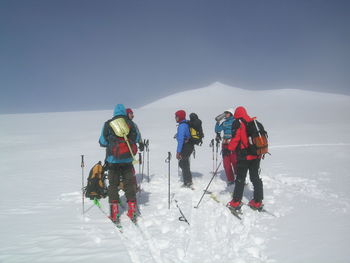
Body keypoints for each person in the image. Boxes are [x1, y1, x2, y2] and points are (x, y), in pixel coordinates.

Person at [99, 104, 139, 222]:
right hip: (127, 159)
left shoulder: (108, 124)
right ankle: (132, 211)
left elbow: (102, 141)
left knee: (113, 185)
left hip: (113, 160)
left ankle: (114, 212)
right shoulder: (130, 123)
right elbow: (136, 139)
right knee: (129, 183)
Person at [227, 106, 264, 210]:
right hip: (256, 155)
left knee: (240, 178)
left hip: (244, 156)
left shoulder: (238, 123)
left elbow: (236, 139)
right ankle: (258, 201)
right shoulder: (254, 122)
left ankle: (236, 201)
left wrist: (228, 148)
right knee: (255, 177)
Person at [214, 109, 237, 185]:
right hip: (225, 144)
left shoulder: (235, 121)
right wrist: (217, 122)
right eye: (225, 113)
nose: (225, 114)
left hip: (233, 144)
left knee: (235, 161)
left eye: (227, 113)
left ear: (231, 114)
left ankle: (239, 177)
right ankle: (230, 179)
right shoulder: (224, 123)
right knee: (226, 162)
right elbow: (218, 130)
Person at [175, 110, 194, 188]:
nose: (175, 118)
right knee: (183, 163)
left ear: (180, 117)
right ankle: (188, 179)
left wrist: (178, 152)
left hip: (185, 146)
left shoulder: (182, 126)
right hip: (189, 146)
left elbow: (180, 140)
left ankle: (188, 182)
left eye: (176, 116)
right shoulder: (185, 123)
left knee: (184, 163)